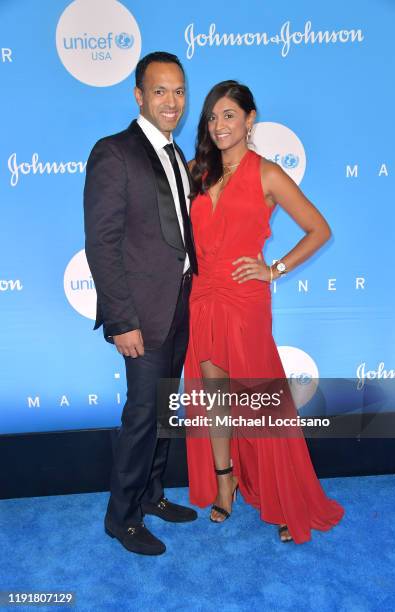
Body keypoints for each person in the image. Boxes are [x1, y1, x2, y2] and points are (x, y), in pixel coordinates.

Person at [185, 80, 344, 544]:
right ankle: (225, 482)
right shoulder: (196, 170)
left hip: (243, 298)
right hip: (202, 295)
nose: (219, 125)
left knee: (259, 403)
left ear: (250, 119)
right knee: (214, 396)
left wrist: (273, 269)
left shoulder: (268, 173)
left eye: (229, 115)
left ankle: (280, 495)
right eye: (213, 117)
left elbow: (319, 229)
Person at [84, 51, 198, 556]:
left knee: (167, 411)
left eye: (178, 91)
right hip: (141, 316)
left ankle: (151, 495)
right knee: (142, 414)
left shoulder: (175, 155)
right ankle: (122, 516)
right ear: (138, 95)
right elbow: (102, 244)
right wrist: (121, 320)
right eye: (160, 90)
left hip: (180, 306)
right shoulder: (114, 152)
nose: (171, 101)